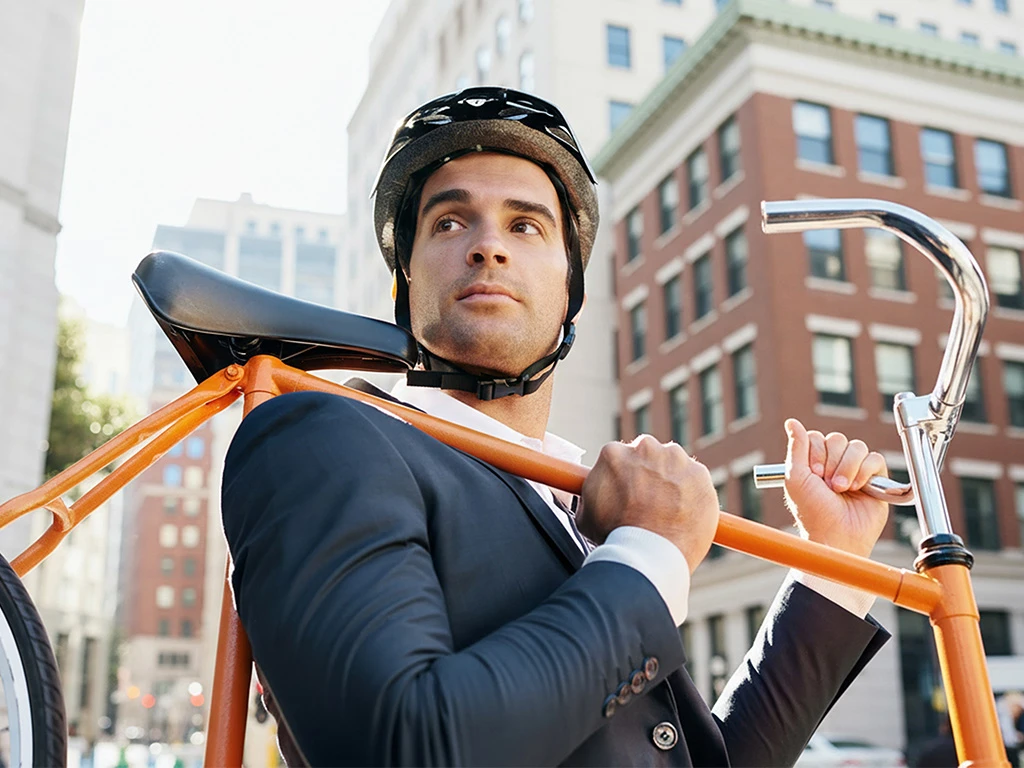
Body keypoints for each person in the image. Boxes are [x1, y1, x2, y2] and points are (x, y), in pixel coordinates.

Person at [222, 87, 891, 766]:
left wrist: (836, 561)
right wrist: (648, 551)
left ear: (574, 292)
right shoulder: (324, 438)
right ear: (403, 283)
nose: (488, 246)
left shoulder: (582, 495)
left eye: (525, 226)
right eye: (450, 222)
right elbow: (401, 747)